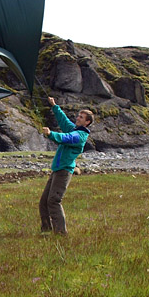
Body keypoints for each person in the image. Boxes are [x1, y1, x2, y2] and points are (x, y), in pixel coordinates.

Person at [39, 96, 93, 235]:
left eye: (81, 117)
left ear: (87, 122)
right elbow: (64, 120)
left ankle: (61, 233)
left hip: (64, 172)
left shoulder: (79, 136)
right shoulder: (74, 129)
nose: (78, 118)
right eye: (79, 116)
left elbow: (66, 138)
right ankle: (46, 230)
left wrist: (51, 134)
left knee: (54, 201)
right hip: (57, 170)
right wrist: (54, 105)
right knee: (44, 201)